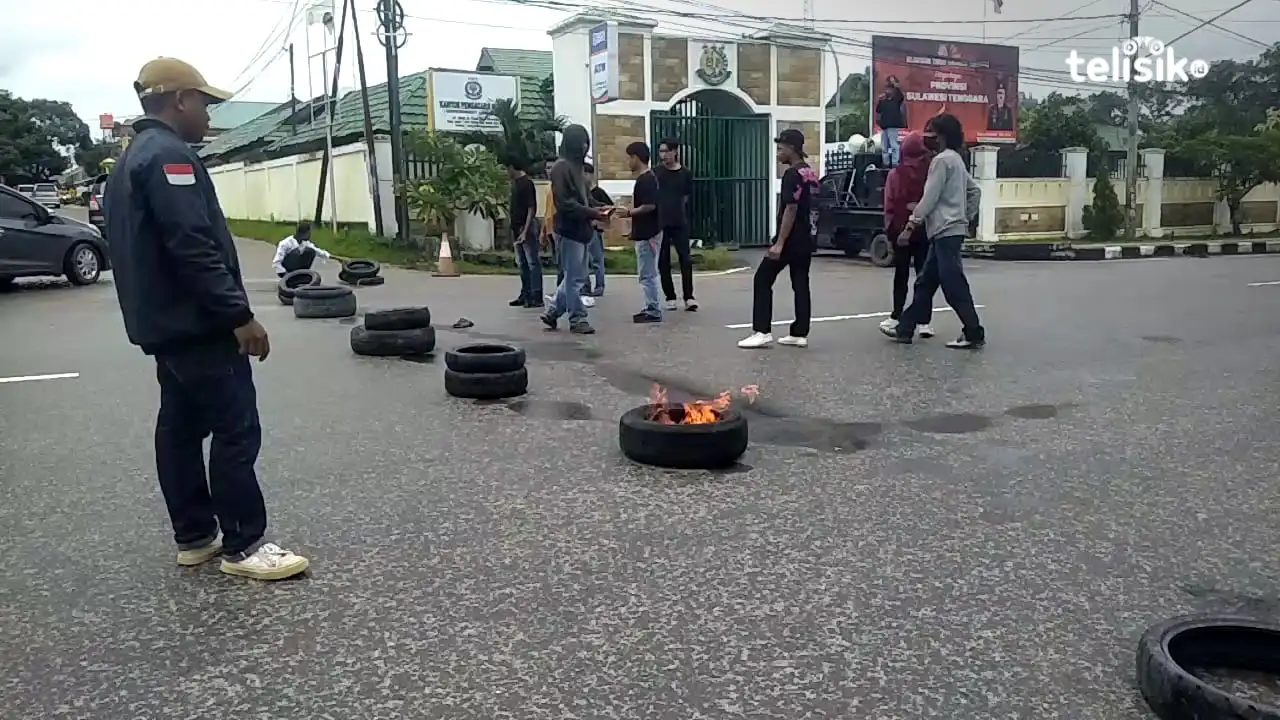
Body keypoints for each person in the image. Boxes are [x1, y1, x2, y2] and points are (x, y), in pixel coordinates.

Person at [105, 57, 309, 581]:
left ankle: (195, 536)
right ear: (179, 101)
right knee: (236, 427)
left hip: (163, 326)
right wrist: (238, 315)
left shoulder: (129, 159)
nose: (210, 116)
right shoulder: (169, 157)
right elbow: (192, 246)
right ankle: (244, 545)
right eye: (204, 103)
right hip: (197, 326)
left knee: (179, 427)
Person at [881, 112, 985, 349]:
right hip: (948, 230)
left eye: (932, 134)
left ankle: (973, 331)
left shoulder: (941, 161)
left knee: (952, 283)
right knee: (925, 283)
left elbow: (929, 198)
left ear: (942, 136)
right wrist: (964, 218)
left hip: (945, 230)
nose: (928, 139)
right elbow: (975, 192)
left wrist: (910, 225)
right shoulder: (955, 159)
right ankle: (905, 328)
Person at [738, 129, 818, 349]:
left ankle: (761, 330)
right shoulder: (809, 172)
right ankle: (800, 333)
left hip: (791, 238)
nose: (777, 153)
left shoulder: (792, 174)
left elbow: (790, 209)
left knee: (762, 279)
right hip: (807, 237)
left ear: (792, 148)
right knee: (801, 284)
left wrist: (779, 242)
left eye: (780, 148)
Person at [541, 124, 611, 334]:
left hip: (582, 230)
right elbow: (565, 203)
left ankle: (553, 312)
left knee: (575, 277)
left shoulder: (577, 167)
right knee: (574, 279)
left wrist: (601, 207)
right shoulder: (561, 168)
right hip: (569, 230)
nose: (585, 146)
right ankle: (577, 318)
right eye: (582, 142)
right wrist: (593, 213)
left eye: (586, 142)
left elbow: (585, 198)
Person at [879, 132, 935, 339]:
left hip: (900, 230)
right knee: (924, 276)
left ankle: (896, 314)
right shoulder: (930, 173)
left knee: (900, 276)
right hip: (925, 229)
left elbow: (889, 204)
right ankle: (924, 321)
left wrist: (889, 230)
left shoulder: (896, 174)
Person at [616, 141, 662, 323]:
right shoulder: (646, 179)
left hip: (649, 233)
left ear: (636, 157)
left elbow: (649, 206)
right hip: (644, 232)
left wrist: (628, 212)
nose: (628, 162)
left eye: (629, 157)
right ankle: (651, 306)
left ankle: (653, 309)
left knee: (648, 273)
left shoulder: (647, 180)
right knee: (646, 272)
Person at [655, 138, 697, 311]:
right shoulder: (656, 172)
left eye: (666, 151)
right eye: (661, 152)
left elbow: (686, 196)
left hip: (679, 221)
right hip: (661, 221)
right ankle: (670, 296)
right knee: (663, 260)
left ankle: (689, 296)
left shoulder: (685, 173)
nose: (663, 155)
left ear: (675, 152)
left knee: (685, 259)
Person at [505, 157, 541, 308]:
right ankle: (525, 293)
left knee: (532, 262)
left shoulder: (527, 183)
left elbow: (531, 208)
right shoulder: (515, 184)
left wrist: (525, 231)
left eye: (507, 168)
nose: (506, 172)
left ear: (513, 167)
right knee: (523, 263)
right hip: (516, 227)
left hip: (526, 228)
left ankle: (536, 295)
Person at [581, 162, 611, 302]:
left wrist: (599, 220)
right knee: (584, 260)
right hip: (583, 229)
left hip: (594, 230)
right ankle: (585, 287)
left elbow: (610, 207)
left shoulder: (598, 192)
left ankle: (599, 286)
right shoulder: (581, 192)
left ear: (590, 175)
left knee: (597, 259)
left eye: (585, 174)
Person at [876, 76, 908, 167]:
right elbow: (878, 110)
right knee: (884, 147)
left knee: (894, 145)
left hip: (893, 126)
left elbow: (902, 95)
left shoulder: (896, 99)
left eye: (890, 89)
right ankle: (885, 163)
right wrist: (880, 100)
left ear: (893, 90)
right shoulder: (883, 100)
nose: (888, 91)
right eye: (887, 89)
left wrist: (896, 85)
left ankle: (895, 163)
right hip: (884, 126)